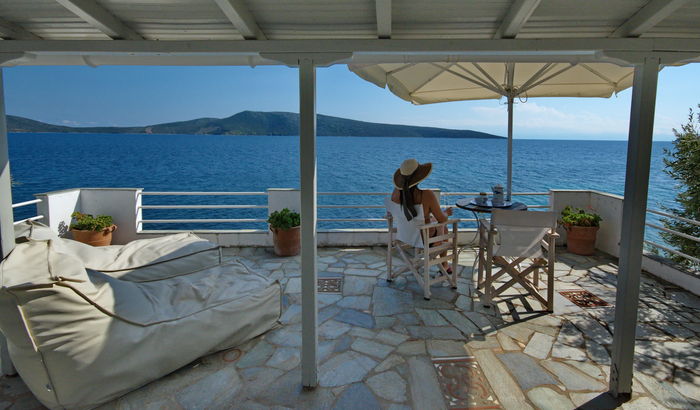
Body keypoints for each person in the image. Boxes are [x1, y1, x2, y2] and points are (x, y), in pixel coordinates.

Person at [391, 158, 453, 273]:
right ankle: (444, 265)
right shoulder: (426, 195)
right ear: (419, 178)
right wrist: (446, 213)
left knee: (431, 220)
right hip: (424, 240)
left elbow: (413, 215)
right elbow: (442, 219)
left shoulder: (395, 195)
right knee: (444, 227)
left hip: (405, 235)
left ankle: (444, 264)